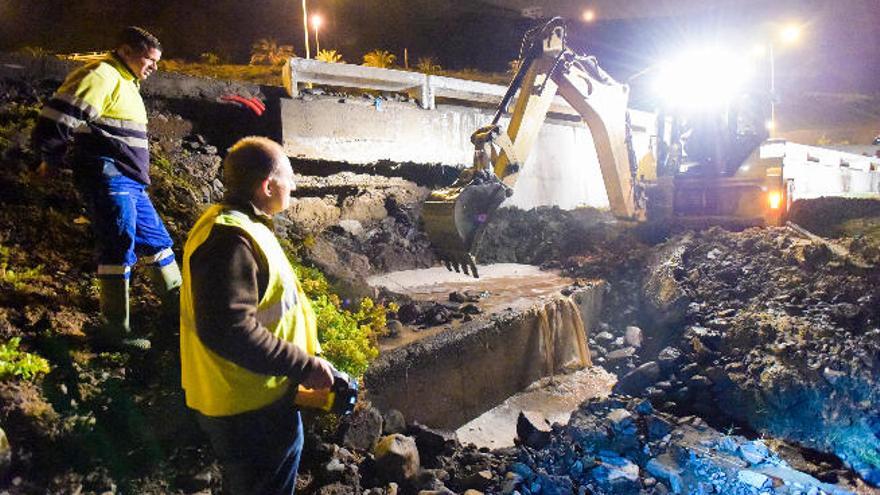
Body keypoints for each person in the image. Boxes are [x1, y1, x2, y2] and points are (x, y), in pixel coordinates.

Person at [180, 136, 335, 495]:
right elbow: (229, 329)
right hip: (249, 408)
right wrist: (304, 365)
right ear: (267, 186)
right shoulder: (231, 240)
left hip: (251, 397)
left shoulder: (233, 225)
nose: (294, 185)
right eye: (289, 176)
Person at [30, 26, 180, 350]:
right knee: (117, 247)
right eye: (148, 59)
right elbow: (57, 118)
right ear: (125, 51)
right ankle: (116, 332)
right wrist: (49, 159)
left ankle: (180, 316)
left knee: (158, 243)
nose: (153, 67)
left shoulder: (127, 82)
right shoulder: (102, 75)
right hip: (108, 176)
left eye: (156, 61)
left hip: (131, 181)